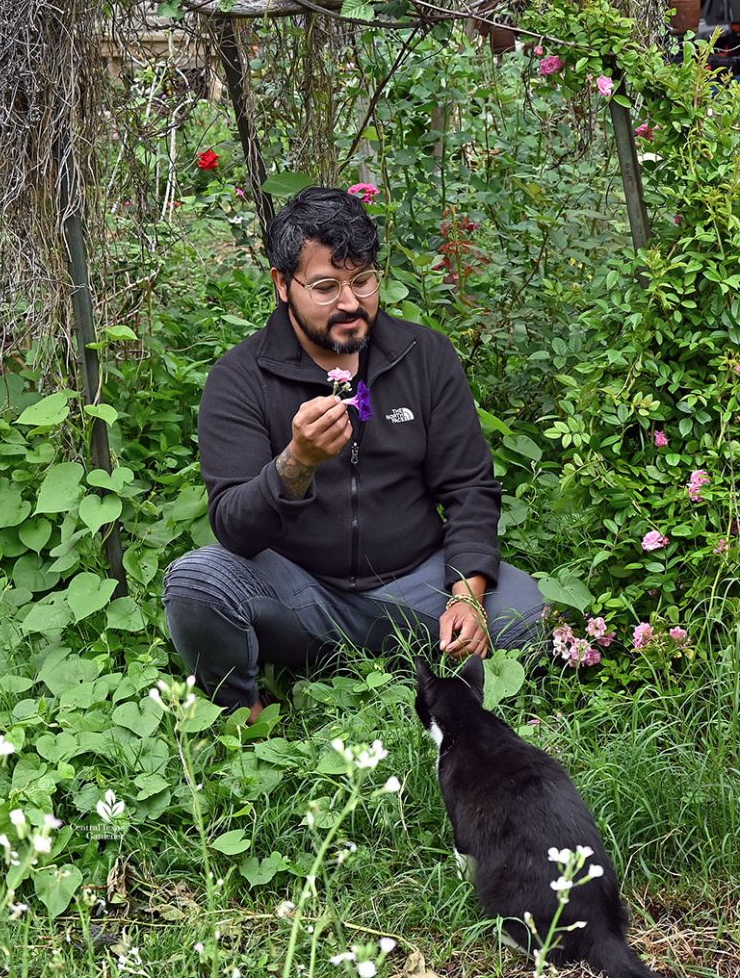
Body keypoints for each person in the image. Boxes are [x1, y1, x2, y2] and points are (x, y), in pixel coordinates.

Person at [163, 186, 544, 721]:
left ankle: (431, 649)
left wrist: (466, 594)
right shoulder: (239, 377)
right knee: (195, 584)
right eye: (325, 286)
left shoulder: (423, 355)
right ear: (281, 285)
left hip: (416, 583)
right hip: (301, 596)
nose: (350, 303)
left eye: (362, 281)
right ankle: (244, 717)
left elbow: (469, 488)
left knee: (524, 613)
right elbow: (234, 527)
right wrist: (297, 463)